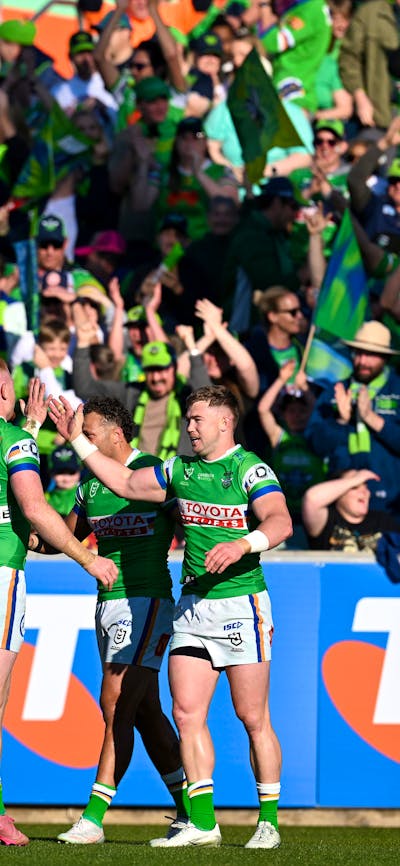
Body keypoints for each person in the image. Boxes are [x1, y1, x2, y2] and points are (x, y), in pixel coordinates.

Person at [49, 384, 293, 849]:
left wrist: (244, 543)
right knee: (185, 712)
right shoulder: (177, 470)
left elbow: (280, 521)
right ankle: (202, 822)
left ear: (225, 421)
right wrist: (77, 441)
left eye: (197, 419)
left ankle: (268, 821)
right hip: (192, 607)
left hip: (242, 604)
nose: (189, 427)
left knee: (251, 717)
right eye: (187, 420)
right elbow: (122, 482)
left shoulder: (249, 469)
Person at [36, 397, 188, 844]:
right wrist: (25, 523)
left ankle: (93, 818)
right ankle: (193, 810)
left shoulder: (153, 473)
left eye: (90, 431)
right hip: (107, 606)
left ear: (116, 434)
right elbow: (61, 538)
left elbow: (192, 523)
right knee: (144, 712)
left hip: (148, 601)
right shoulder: (89, 489)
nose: (81, 439)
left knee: (116, 702)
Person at [0, 371, 117, 846]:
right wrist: (87, 556)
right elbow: (31, 507)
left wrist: (26, 429)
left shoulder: (16, 437)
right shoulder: (15, 443)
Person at [305, 321, 400, 514]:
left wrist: (373, 419)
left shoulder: (397, 389)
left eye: (371, 354)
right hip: (342, 506)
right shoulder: (336, 391)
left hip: (393, 507)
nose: (363, 361)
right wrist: (340, 421)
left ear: (385, 357)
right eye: (358, 352)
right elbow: (315, 444)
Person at [302, 468, 400, 551]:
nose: (363, 491)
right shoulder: (327, 520)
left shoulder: (382, 520)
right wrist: (356, 479)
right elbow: (311, 499)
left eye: (365, 486)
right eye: (354, 487)